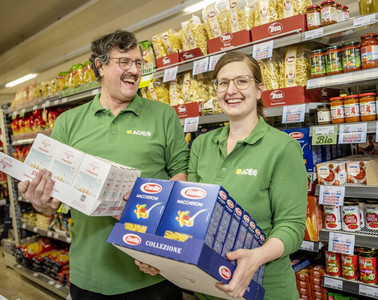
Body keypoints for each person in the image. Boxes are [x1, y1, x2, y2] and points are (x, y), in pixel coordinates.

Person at [18, 30, 189, 299]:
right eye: (124, 62)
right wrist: (39, 200)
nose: (134, 70)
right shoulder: (68, 122)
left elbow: (182, 176)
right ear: (100, 65)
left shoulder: (163, 115)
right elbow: (51, 202)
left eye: (138, 62)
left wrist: (155, 220)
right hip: (89, 274)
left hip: (151, 271)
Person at [187, 52, 307, 300]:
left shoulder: (282, 147)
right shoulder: (202, 144)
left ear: (259, 89)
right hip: (209, 288)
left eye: (241, 81)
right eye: (223, 83)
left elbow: (292, 228)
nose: (231, 90)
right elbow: (191, 212)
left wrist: (257, 257)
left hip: (264, 289)